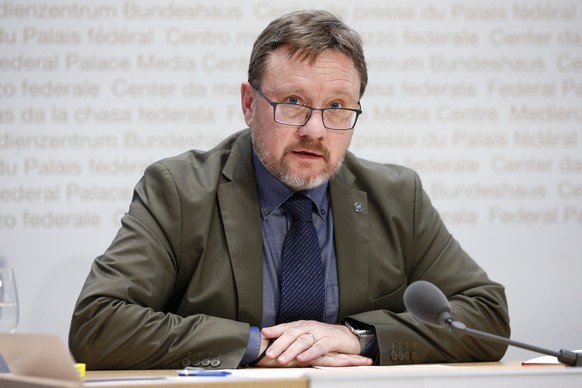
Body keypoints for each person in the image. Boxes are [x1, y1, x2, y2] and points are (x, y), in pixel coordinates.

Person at [69, 10, 510, 370]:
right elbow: (98, 325)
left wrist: (360, 338)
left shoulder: (396, 196)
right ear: (248, 104)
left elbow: (486, 315)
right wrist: (258, 345)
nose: (315, 130)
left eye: (337, 108)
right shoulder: (180, 191)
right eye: (293, 103)